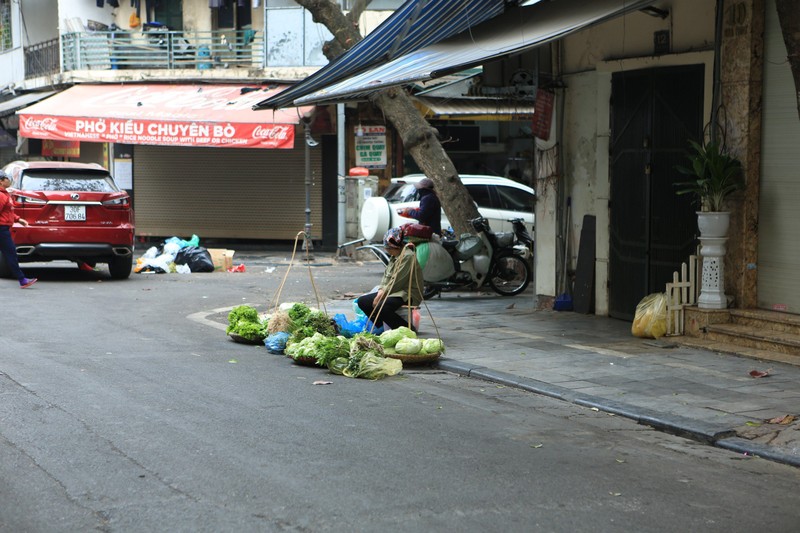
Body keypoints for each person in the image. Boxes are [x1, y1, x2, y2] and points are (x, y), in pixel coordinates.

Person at [356, 227, 424, 332]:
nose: (386, 250)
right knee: (363, 301)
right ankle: (382, 326)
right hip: (393, 291)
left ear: (394, 247)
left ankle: (408, 329)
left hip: (407, 293)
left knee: (381, 307)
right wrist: (380, 291)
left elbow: (397, 281)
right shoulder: (395, 255)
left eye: (388, 248)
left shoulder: (408, 256)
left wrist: (382, 295)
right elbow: (386, 276)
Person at [0, 171, 37, 288]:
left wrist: (18, 219)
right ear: (1, 181)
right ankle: (22, 280)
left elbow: (8, 212)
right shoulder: (1, 195)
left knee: (10, 254)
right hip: (2, 229)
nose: (9, 180)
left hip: (4, 228)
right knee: (10, 254)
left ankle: (22, 280)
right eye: (7, 178)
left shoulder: (5, 194)